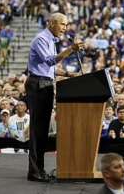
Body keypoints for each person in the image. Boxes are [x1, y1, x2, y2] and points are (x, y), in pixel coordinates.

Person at [25, 12, 84, 182]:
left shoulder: (51, 40)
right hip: (38, 85)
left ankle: (39, 169)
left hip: (45, 84)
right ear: (51, 23)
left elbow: (49, 68)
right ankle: (34, 172)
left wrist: (67, 74)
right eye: (63, 24)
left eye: (66, 25)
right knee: (37, 131)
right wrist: (71, 49)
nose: (65, 28)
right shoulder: (41, 39)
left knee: (42, 130)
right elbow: (50, 61)